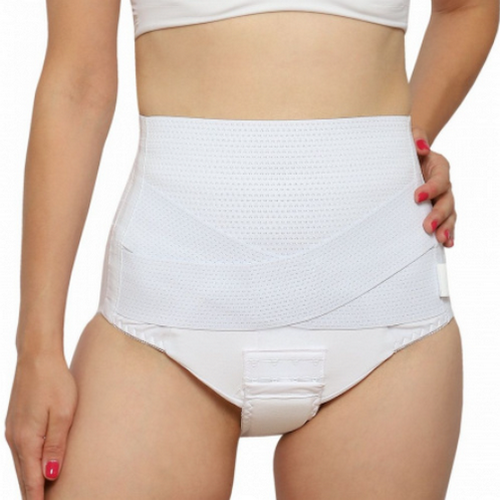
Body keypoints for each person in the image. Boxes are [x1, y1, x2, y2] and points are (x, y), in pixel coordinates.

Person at [4, 0, 498, 498]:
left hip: (383, 304)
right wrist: (36, 349)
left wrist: (410, 142)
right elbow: (78, 82)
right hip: (164, 308)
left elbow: (467, 8)